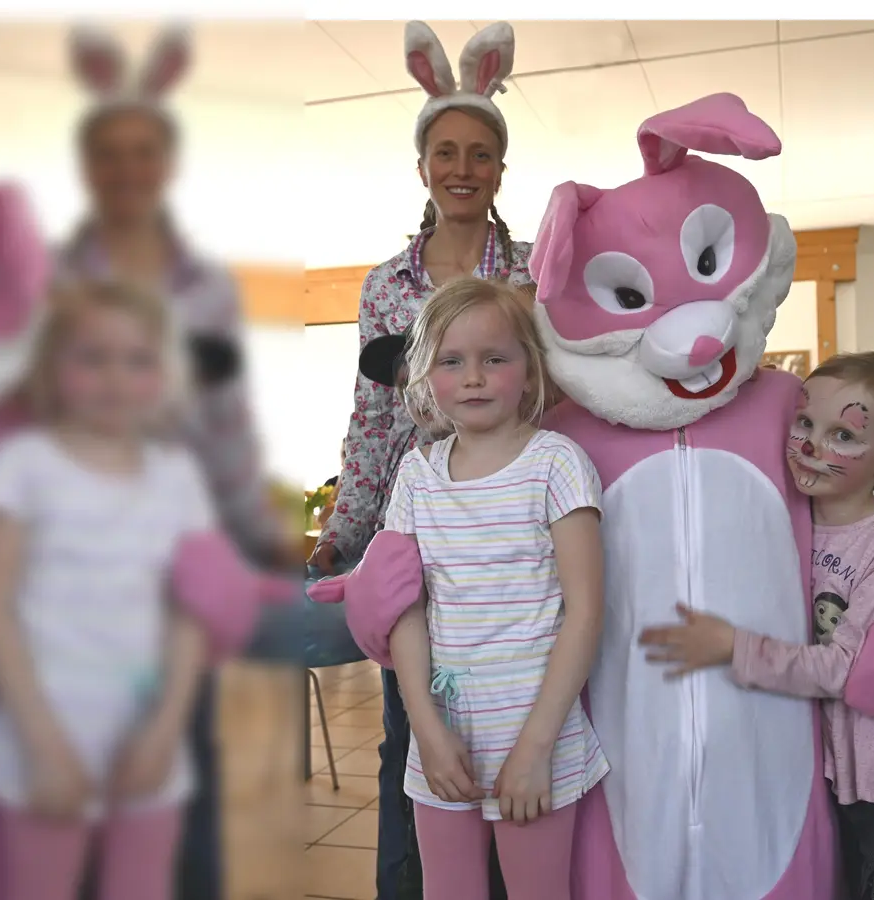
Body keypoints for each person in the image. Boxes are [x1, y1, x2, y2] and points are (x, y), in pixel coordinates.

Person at [59, 25, 294, 900]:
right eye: (109, 154)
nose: (127, 169)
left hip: (180, 559)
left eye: (143, 152)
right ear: (90, 167)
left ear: (165, 162)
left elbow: (226, 423)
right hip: (76, 562)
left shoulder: (208, 289)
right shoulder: (53, 281)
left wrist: (258, 533)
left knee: (179, 763)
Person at [309, 20, 531, 899]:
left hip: (513, 535)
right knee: (413, 734)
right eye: (447, 151)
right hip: (415, 536)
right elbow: (371, 417)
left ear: (501, 170)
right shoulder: (383, 288)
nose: (464, 168)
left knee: (513, 731)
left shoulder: (533, 275)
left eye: (481, 153)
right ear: (424, 167)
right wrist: (345, 529)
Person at [638, 352, 874, 900]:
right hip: (842, 775)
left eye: (843, 434)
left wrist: (731, 647)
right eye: (805, 424)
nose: (812, 446)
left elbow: (849, 668)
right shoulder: (795, 518)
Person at [0, 279, 216, 900]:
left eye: (137, 360)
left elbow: (192, 609)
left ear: (163, 373)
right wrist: (42, 743)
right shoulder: (22, 465)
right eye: (92, 357)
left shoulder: (176, 476)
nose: (115, 378)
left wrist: (164, 731)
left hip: (147, 741)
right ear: (53, 367)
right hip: (41, 736)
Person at [374, 276, 606, 900]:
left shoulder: (555, 463)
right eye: (452, 361)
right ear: (427, 377)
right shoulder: (416, 476)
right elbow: (406, 612)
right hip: (440, 733)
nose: (473, 377)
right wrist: (425, 728)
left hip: (537, 731)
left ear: (529, 372)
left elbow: (585, 613)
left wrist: (535, 747)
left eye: (493, 359)